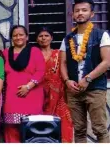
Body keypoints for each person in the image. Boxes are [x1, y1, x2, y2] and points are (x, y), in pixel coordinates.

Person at [60, 0, 110, 143]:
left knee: (99, 129)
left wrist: (88, 79)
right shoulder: (68, 38)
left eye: (84, 10)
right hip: (73, 91)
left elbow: (106, 62)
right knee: (79, 129)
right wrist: (67, 80)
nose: (80, 13)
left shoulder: (101, 35)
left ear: (92, 13)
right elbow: (63, 63)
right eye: (77, 11)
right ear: (73, 14)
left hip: (95, 89)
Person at [2, 25, 45, 143]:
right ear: (11, 38)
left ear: (26, 37)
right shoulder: (6, 53)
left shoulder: (35, 51)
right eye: (15, 35)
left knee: (31, 129)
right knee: (11, 129)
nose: (18, 37)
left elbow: (41, 71)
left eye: (21, 34)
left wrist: (28, 86)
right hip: (12, 97)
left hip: (32, 95)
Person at [36, 27, 73, 143]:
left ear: (52, 38)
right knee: (40, 125)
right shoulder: (33, 54)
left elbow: (66, 70)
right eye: (40, 36)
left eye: (46, 36)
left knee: (63, 122)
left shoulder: (59, 54)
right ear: (37, 39)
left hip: (59, 95)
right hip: (39, 93)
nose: (43, 38)